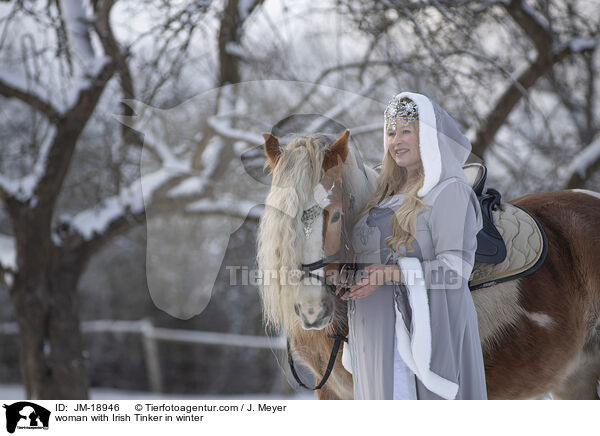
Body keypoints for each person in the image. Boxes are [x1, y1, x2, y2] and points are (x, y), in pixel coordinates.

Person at [340, 92, 487, 400]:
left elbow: (455, 272)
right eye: (391, 132)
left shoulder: (449, 192)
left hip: (421, 333)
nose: (397, 140)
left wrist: (391, 274)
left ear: (430, 137)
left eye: (407, 130)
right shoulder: (379, 196)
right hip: (372, 330)